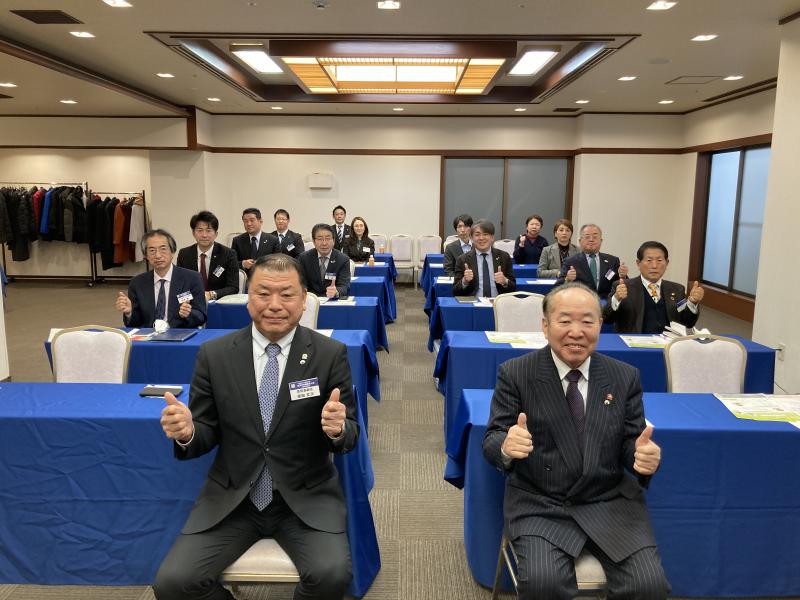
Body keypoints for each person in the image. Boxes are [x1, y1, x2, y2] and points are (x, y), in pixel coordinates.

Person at [153, 253, 358, 600]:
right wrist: (188, 433)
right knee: (173, 583)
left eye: (286, 294)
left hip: (304, 498)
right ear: (248, 298)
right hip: (234, 499)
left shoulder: (329, 354)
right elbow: (205, 432)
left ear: (304, 300)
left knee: (332, 575)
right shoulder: (215, 355)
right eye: (263, 293)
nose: (274, 304)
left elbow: (349, 434)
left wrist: (338, 429)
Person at [483, 283, 670, 600]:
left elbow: (631, 441)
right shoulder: (516, 373)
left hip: (607, 501)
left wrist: (641, 458)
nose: (576, 332)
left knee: (648, 585)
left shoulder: (623, 376)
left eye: (587, 321)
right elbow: (492, 437)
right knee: (543, 584)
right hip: (541, 503)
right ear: (545, 326)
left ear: (600, 325)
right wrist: (505, 445)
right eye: (565, 320)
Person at [603, 241, 705, 334]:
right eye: (649, 260)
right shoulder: (623, 287)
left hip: (668, 344)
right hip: (635, 344)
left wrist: (692, 303)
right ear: (638, 263)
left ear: (667, 263)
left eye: (659, 260)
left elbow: (688, 322)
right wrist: (617, 298)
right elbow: (607, 318)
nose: (654, 266)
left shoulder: (677, 289)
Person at [115, 229, 206, 328]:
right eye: (152, 251)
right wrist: (129, 312)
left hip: (180, 333)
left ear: (172, 252)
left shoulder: (192, 278)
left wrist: (188, 314)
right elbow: (135, 323)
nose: (158, 255)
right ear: (146, 255)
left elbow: (201, 316)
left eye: (163, 249)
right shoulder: (137, 283)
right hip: (149, 334)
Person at [176, 211, 239, 300]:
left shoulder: (228, 254)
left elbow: (233, 287)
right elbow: (180, 285)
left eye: (208, 230)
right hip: (192, 304)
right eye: (200, 230)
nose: (204, 235)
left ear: (216, 234)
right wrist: (187, 301)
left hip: (218, 302)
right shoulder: (184, 254)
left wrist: (211, 295)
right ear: (193, 233)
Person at [556, 224, 627, 298]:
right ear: (580, 241)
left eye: (595, 237)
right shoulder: (571, 262)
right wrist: (567, 279)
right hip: (581, 301)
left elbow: (622, 285)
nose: (591, 240)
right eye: (587, 237)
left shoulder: (613, 261)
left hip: (607, 302)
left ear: (601, 240)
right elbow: (557, 287)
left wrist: (623, 275)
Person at [453, 220, 516, 297]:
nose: (481, 238)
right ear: (471, 238)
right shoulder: (462, 259)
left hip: (497, 301)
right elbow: (455, 291)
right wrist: (465, 281)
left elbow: (513, 288)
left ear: (492, 237)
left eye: (485, 234)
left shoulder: (504, 257)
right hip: (473, 302)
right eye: (477, 235)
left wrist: (504, 281)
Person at [298, 224, 352, 298]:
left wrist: (336, 291)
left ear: (333, 240)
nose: (324, 243)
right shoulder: (304, 258)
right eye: (320, 239)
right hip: (310, 299)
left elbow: (344, 286)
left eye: (328, 238)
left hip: (332, 301)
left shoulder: (343, 259)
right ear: (314, 241)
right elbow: (300, 283)